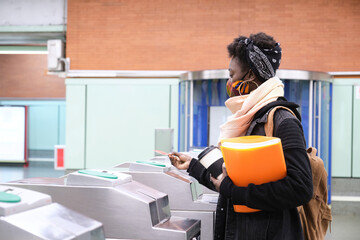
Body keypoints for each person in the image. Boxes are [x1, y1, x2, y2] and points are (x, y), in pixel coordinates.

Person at [169, 32, 313, 240]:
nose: (229, 82)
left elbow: (300, 188)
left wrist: (233, 190)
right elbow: (230, 184)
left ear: (251, 76)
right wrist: (193, 166)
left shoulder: (282, 120)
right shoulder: (248, 119)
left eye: (231, 74)